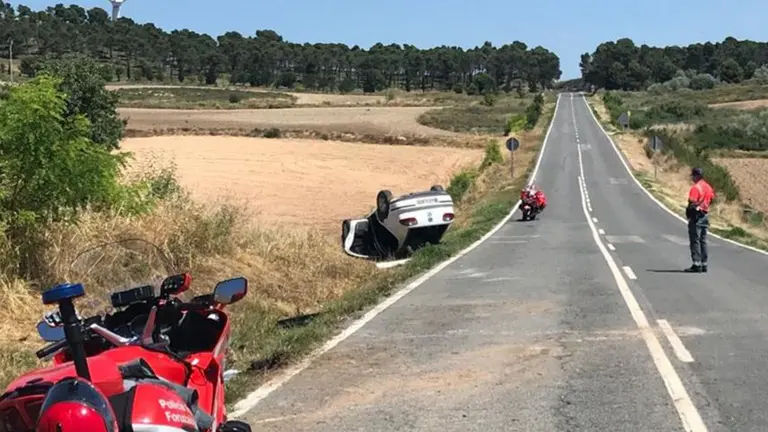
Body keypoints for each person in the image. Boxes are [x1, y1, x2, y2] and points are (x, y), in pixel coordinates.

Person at [685, 167, 715, 273]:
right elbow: (711, 198)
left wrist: (689, 213)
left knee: (695, 240)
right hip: (705, 215)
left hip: (696, 217)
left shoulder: (695, 188)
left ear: (696, 176)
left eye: (693, 176)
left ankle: (696, 264)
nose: (692, 178)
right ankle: (704, 264)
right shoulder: (708, 187)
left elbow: (692, 202)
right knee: (703, 241)